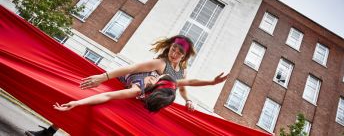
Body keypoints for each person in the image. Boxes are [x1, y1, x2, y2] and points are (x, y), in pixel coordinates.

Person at [24, 35, 216, 136]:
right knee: (80, 96)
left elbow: (184, 86)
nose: (174, 53)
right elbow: (130, 68)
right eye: (173, 48)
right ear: (170, 47)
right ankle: (49, 131)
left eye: (179, 51)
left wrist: (189, 99)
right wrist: (103, 77)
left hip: (137, 93)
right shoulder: (160, 63)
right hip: (125, 81)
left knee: (93, 108)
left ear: (184, 56)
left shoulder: (180, 72)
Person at [53, 73, 228, 112]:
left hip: (129, 86)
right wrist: (77, 103)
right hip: (117, 79)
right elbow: (107, 95)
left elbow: (188, 82)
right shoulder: (142, 86)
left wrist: (211, 83)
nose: (153, 78)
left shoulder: (165, 84)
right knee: (82, 97)